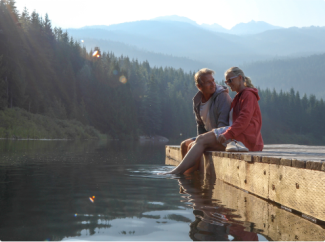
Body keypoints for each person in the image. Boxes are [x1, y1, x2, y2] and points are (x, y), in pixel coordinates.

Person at [168, 67, 264, 174]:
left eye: (230, 80)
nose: (228, 84)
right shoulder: (240, 96)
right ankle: (188, 178)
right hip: (238, 138)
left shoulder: (248, 95)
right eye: (226, 81)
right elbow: (201, 124)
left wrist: (227, 134)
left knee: (200, 141)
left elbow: (243, 120)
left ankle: (178, 173)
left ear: (240, 78)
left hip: (246, 141)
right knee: (194, 143)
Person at [180, 68, 232, 160]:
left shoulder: (222, 96)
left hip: (223, 138)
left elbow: (223, 125)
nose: (213, 84)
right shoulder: (197, 101)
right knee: (184, 145)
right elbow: (200, 125)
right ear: (199, 86)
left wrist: (203, 142)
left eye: (213, 81)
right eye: (208, 82)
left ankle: (191, 171)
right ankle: (189, 174)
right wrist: (201, 140)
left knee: (192, 146)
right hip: (208, 137)